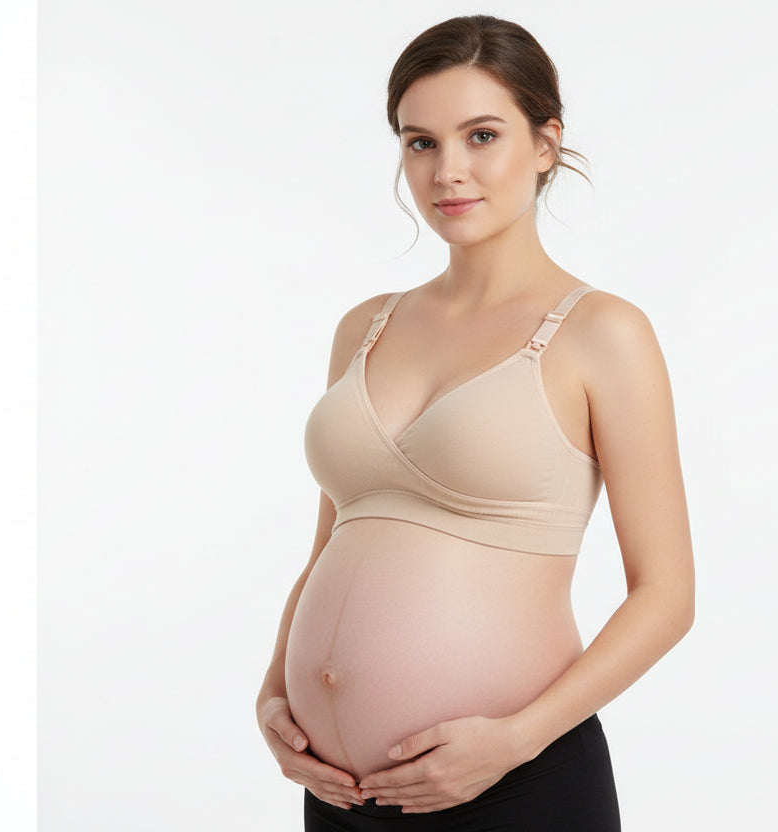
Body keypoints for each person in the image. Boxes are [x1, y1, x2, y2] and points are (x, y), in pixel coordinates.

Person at [255, 14, 694, 831]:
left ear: (544, 144)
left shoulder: (603, 333)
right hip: (339, 795)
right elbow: (331, 544)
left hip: (513, 786)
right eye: (420, 143)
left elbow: (665, 597)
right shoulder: (366, 326)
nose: (448, 171)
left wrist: (516, 741)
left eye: (481, 135)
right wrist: (276, 691)